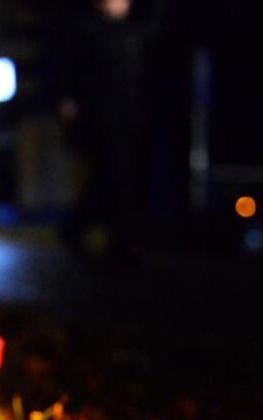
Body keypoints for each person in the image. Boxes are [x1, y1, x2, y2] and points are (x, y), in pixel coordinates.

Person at [58, 0, 164, 261]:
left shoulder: (130, 32)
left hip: (128, 117)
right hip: (101, 118)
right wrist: (71, 105)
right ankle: (115, 242)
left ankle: (82, 229)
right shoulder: (88, 31)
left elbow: (154, 30)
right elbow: (71, 72)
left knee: (114, 179)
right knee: (113, 178)